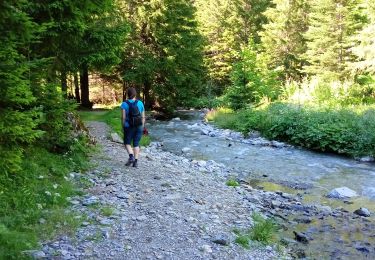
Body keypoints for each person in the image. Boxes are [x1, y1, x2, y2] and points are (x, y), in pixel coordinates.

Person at [120, 87, 145, 168]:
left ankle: (131, 157)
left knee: (127, 143)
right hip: (139, 126)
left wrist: (123, 125)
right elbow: (143, 117)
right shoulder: (140, 103)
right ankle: (136, 162)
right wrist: (142, 126)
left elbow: (123, 117)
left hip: (128, 126)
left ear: (128, 94)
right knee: (136, 143)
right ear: (135, 94)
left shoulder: (124, 104)